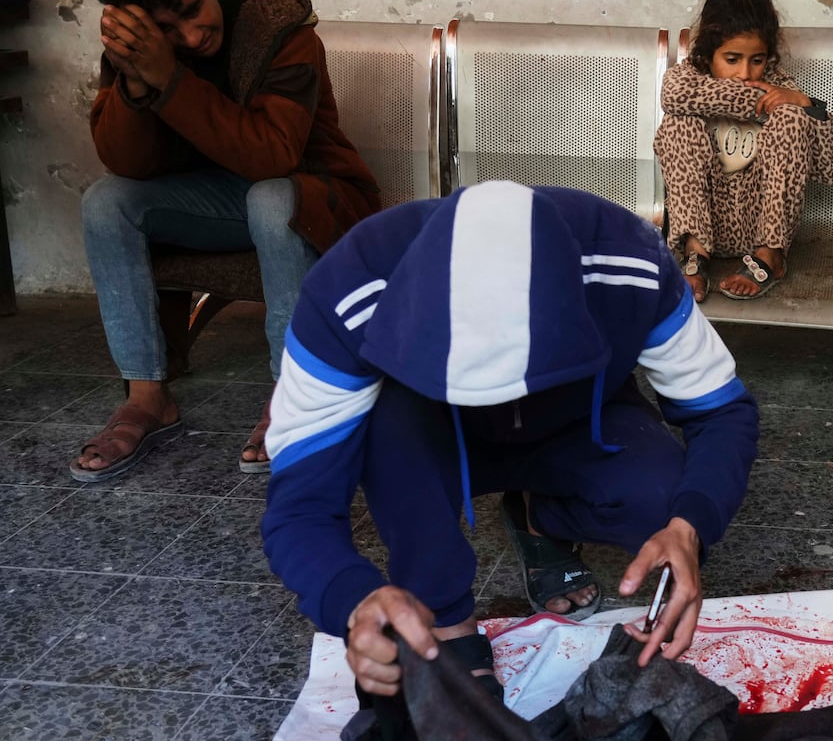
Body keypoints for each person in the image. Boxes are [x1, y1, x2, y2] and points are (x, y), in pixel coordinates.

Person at [260, 181, 759, 697]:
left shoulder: (630, 261)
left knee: (665, 502)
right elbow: (301, 505)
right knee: (389, 424)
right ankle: (447, 621)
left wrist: (690, 525)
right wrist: (350, 598)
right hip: (428, 441)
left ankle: (537, 517)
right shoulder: (345, 291)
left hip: (570, 423)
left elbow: (721, 411)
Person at [72, 0, 379, 483]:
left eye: (191, 9)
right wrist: (136, 80)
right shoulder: (138, 48)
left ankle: (294, 395)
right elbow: (130, 164)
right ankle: (146, 396)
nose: (190, 37)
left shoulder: (280, 26)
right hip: (216, 202)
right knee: (106, 201)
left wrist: (170, 79)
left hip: (314, 196)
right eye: (168, 29)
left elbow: (273, 156)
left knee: (269, 198)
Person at [654, 0, 833, 302]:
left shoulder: (779, 85)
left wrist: (806, 104)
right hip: (706, 226)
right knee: (677, 123)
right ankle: (695, 256)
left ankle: (770, 256)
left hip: (764, 229)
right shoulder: (689, 77)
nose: (745, 72)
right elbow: (675, 94)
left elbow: (828, 170)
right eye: (732, 59)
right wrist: (761, 101)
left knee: (792, 116)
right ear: (706, 53)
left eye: (756, 60)